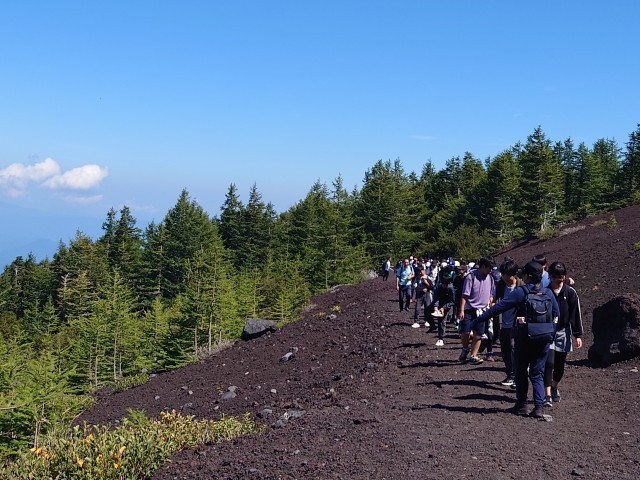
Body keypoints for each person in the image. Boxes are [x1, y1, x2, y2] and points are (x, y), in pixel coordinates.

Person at [476, 261, 560, 418]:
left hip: (524, 339)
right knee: (537, 374)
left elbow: (499, 307)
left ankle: (522, 406)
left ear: (527, 276)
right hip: (544, 339)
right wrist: (550, 334)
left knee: (521, 372)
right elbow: (557, 315)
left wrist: (479, 319)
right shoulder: (548, 293)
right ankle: (539, 408)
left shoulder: (522, 292)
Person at [543, 261, 583, 407]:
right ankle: (547, 394)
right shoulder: (545, 292)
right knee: (549, 363)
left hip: (563, 332)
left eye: (560, 277)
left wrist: (577, 335)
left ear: (564, 276)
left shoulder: (570, 293)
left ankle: (554, 386)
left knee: (559, 365)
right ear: (550, 276)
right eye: (554, 277)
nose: (557, 280)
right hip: (548, 332)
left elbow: (575, 314)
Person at [458, 257, 495, 364]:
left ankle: (473, 355)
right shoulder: (471, 277)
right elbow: (465, 295)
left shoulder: (490, 278)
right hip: (469, 308)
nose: (490, 270)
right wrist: (461, 309)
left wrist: (490, 299)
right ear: (482, 266)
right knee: (465, 331)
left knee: (478, 334)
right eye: (489, 268)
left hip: (482, 310)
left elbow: (491, 292)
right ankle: (465, 348)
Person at [493, 259, 524, 386]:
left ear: (513, 274)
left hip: (516, 324)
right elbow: (495, 299)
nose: (504, 277)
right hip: (503, 323)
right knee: (505, 350)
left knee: (514, 349)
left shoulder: (521, 286)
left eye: (506, 275)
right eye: (503, 274)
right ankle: (510, 374)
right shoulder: (501, 285)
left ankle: (517, 376)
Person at [431, 270, 455, 346]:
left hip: (447, 304)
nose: (444, 286)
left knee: (443, 320)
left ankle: (441, 338)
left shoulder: (451, 289)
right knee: (428, 312)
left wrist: (444, 308)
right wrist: (435, 306)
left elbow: (453, 301)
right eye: (443, 284)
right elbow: (436, 297)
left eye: (446, 284)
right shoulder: (438, 286)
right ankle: (436, 332)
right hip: (439, 302)